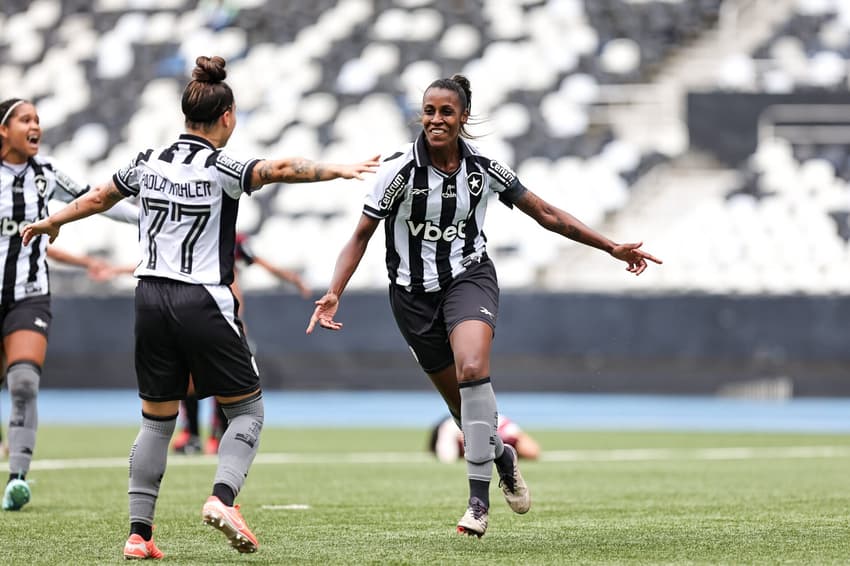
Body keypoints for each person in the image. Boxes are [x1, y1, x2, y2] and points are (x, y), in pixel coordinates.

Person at [22, 55, 378, 559]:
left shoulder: (148, 161)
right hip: (202, 299)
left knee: (155, 421)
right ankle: (223, 498)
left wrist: (53, 221)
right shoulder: (221, 166)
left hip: (147, 298)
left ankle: (139, 536)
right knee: (248, 410)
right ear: (226, 117)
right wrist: (334, 170)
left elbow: (100, 197)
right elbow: (278, 168)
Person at [306, 74, 661, 538]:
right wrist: (335, 290)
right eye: (429, 111)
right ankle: (503, 457)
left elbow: (547, 214)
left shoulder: (485, 171)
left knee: (472, 368)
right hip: (411, 297)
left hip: (469, 280)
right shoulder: (397, 173)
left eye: (446, 112)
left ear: (463, 117)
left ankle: (477, 504)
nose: (436, 119)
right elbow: (360, 236)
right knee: (464, 410)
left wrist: (610, 246)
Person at [0, 97, 138, 512]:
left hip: (29, 295)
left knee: (23, 383)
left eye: (38, 119)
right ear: (3, 130)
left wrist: (148, 215)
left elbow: (96, 199)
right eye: (25, 119)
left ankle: (17, 479)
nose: (34, 125)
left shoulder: (45, 175)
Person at [172, 232, 311, 455]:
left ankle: (219, 434)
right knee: (188, 379)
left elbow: (262, 263)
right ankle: (192, 434)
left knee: (223, 379)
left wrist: (292, 279)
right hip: (194, 316)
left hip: (227, 322)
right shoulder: (188, 234)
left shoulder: (232, 239)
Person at [429, 414, 540, 463]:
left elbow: (533, 452)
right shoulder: (450, 429)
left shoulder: (506, 429)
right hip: (455, 426)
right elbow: (448, 458)